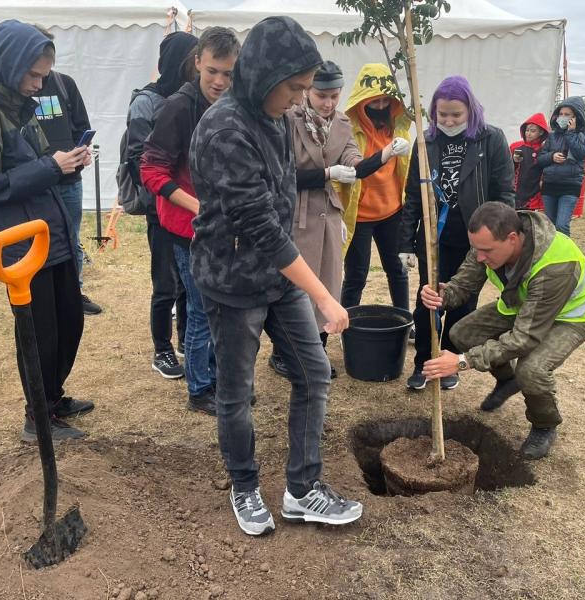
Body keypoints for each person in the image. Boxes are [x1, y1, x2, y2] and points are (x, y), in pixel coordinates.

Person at [190, 16, 363, 536]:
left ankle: (302, 490)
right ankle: (244, 486)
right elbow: (261, 226)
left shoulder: (274, 118)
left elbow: (282, 201)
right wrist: (326, 299)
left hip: (277, 277)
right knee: (236, 394)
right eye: (294, 88)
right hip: (232, 283)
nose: (298, 99)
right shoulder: (224, 130)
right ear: (265, 75)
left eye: (306, 90)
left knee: (314, 373)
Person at [0, 20, 94, 442]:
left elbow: (26, 167)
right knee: (39, 332)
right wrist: (50, 166)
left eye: (43, 75)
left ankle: (51, 397)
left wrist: (64, 163)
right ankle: (37, 417)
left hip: (50, 234)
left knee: (69, 322)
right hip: (21, 243)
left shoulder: (15, 103)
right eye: (32, 74)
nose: (38, 84)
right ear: (8, 63)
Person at [420, 202, 585, 459]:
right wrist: (443, 296)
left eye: (486, 251)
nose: (480, 257)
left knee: (532, 369)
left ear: (513, 239)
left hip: (571, 317)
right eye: (476, 249)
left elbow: (524, 338)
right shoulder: (486, 244)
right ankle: (508, 380)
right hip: (523, 305)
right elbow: (464, 283)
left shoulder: (556, 265)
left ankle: (544, 424)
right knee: (463, 333)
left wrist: (463, 362)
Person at [267, 61, 410, 379]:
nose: (329, 103)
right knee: (296, 286)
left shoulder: (342, 124)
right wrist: (326, 174)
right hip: (297, 210)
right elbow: (280, 176)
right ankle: (283, 353)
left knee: (328, 283)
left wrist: (383, 155)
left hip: (329, 212)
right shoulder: (289, 120)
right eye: (322, 96)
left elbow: (354, 165)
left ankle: (314, 352)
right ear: (308, 92)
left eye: (334, 96)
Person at [141, 27, 240, 416]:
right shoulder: (178, 108)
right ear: (197, 61)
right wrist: (197, 206)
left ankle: (217, 380)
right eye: (213, 70)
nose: (219, 81)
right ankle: (200, 389)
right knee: (201, 308)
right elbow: (150, 170)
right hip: (187, 228)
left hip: (223, 226)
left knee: (222, 307)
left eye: (228, 74)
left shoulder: (233, 106)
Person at [399, 75, 515, 391]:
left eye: (456, 115)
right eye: (442, 115)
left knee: (462, 304)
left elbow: (505, 193)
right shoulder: (425, 143)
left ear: (470, 111)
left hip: (475, 241)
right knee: (429, 299)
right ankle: (424, 363)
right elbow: (412, 195)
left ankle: (448, 363)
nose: (448, 120)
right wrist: (407, 241)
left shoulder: (491, 140)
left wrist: (498, 237)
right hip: (434, 239)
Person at [124, 31, 197, 380]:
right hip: (161, 207)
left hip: (188, 209)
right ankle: (162, 350)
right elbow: (140, 159)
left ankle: (185, 338)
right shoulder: (148, 102)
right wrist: (164, 196)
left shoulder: (192, 100)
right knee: (165, 282)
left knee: (189, 281)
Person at [32, 27, 101, 314]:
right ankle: (45, 298)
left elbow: (81, 126)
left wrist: (81, 152)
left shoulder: (63, 83)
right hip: (37, 183)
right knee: (39, 241)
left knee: (70, 237)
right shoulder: (17, 90)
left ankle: (74, 292)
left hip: (70, 180)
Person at [338, 63, 412, 316]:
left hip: (392, 211)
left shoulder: (398, 127)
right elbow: (350, 170)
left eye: (385, 101)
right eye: (373, 101)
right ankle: (345, 323)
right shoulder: (348, 129)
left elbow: (406, 168)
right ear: (361, 100)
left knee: (397, 270)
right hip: (359, 216)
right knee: (356, 275)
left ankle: (404, 319)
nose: (380, 106)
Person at [536, 97, 585, 237]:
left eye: (567, 114)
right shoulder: (552, 136)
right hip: (550, 184)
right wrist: (552, 157)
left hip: (570, 184)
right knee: (550, 224)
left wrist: (570, 133)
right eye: (561, 114)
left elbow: (581, 152)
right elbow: (540, 159)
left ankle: (565, 255)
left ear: (576, 117)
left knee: (562, 224)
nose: (562, 117)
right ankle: (551, 253)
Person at [509, 113, 549, 210]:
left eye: (533, 131)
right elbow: (505, 168)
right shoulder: (515, 147)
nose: (528, 133)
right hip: (515, 192)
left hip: (534, 195)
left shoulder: (544, 149)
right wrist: (514, 161)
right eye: (527, 130)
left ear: (541, 132)